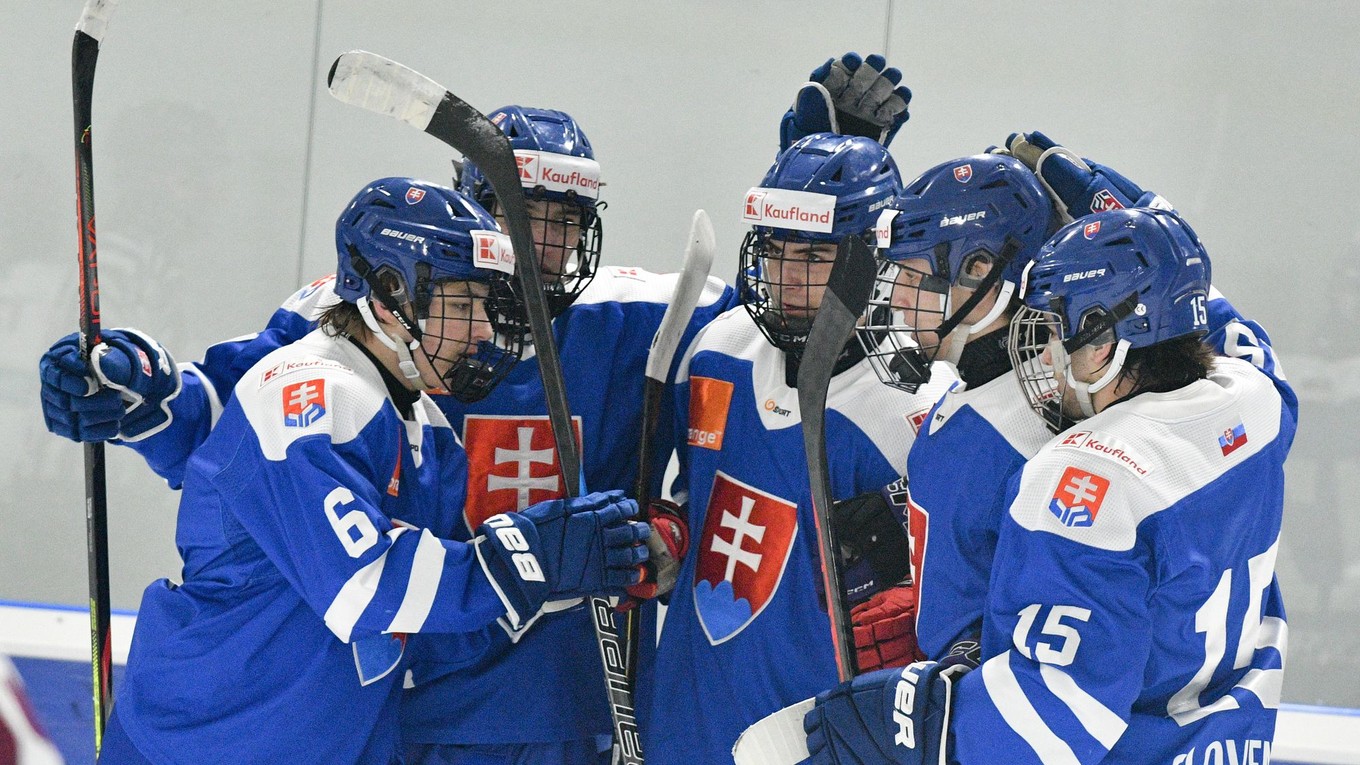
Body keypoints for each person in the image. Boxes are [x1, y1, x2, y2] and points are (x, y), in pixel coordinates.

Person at [61, 177, 650, 764]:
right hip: (209, 739)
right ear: (392, 296)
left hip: (321, 742)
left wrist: (569, 575)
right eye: (464, 306)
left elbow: (425, 628)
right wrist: (532, 555)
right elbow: (363, 587)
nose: (483, 333)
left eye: (487, 310)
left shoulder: (427, 431)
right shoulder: (306, 395)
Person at [803, 205, 1293, 765]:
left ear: (1106, 342)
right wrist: (1145, 223)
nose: (1044, 356)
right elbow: (1234, 332)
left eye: (1059, 331)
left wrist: (927, 723)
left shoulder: (1085, 478)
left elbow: (1058, 713)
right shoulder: (1257, 401)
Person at [643, 132, 957, 765]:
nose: (786, 278)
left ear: (871, 260)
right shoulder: (716, 350)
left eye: (813, 258)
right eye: (776, 252)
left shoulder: (917, 406)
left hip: (815, 734)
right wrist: (671, 533)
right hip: (687, 710)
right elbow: (696, 495)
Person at [841, 151, 1061, 670]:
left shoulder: (1016, 430)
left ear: (980, 271)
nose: (893, 297)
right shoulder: (980, 394)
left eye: (912, 275)